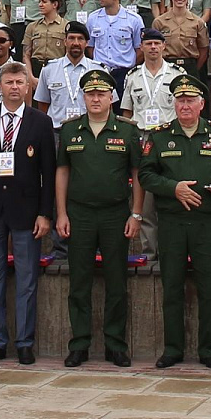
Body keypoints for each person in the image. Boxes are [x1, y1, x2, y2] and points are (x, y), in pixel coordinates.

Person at [141, 73, 211, 369]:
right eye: (180, 100)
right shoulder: (159, 136)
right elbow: (145, 175)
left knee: (208, 287)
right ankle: (172, 348)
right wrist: (173, 188)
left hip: (207, 221)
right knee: (171, 287)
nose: (184, 106)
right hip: (172, 221)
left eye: (190, 101)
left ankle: (209, 350)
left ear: (202, 104)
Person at [0, 61, 54, 365]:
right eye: (9, 82)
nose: (14, 87)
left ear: (28, 87)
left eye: (19, 82)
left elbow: (49, 173)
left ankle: (25, 342)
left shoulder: (40, 122)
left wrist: (45, 213)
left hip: (27, 212)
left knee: (27, 280)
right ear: (0, 86)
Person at [57, 66, 144, 367]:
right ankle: (79, 343)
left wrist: (136, 214)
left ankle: (115, 344)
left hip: (115, 214)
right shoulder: (69, 129)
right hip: (79, 214)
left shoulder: (127, 130)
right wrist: (61, 213)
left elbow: (137, 174)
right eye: (90, 93)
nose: (95, 99)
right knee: (79, 282)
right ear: (83, 97)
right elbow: (62, 171)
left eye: (101, 94)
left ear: (112, 97)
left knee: (116, 283)